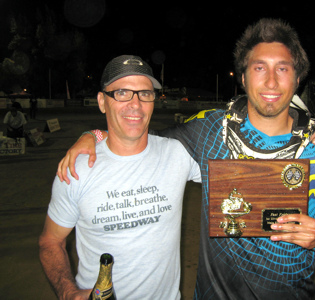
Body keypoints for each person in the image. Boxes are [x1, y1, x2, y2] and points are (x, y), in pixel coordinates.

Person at [57, 19, 315, 299]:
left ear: (297, 78)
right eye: (259, 68)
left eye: (282, 68)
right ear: (243, 78)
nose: (271, 81)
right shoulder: (210, 130)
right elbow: (139, 133)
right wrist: (94, 134)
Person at [38, 55, 201, 300]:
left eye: (144, 93)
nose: (135, 104)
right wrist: (67, 292)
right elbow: (50, 242)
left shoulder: (178, 154)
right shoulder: (76, 169)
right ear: (102, 102)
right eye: (122, 92)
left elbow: (238, 171)